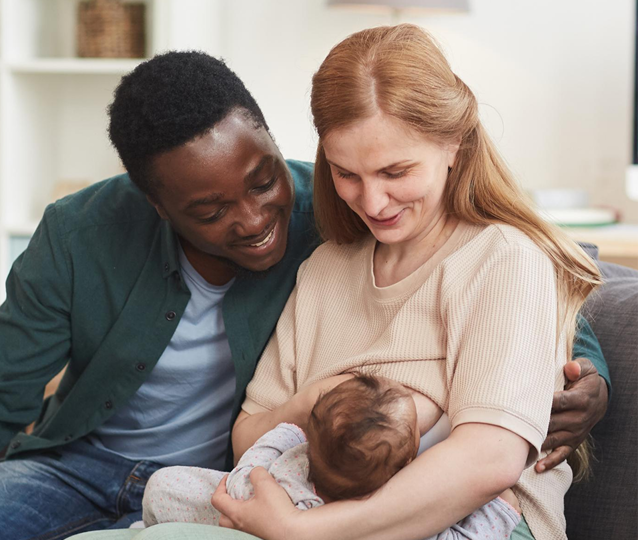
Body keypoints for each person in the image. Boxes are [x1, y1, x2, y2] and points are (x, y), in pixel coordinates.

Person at [0, 49, 607, 540]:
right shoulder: (84, 234)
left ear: (275, 146)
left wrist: (590, 376)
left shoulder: (337, 212)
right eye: (210, 210)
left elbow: (514, 293)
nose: (251, 220)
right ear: (156, 203)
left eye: (261, 180)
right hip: (102, 472)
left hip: (258, 488)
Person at [212, 25, 604, 540]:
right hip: (303, 506)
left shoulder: (503, 258)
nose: (372, 202)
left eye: (395, 172)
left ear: (453, 147)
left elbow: (488, 461)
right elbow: (248, 438)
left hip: (479, 522)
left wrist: (311, 532)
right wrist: (315, 401)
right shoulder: (325, 269)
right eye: (346, 173)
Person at [140, 374, 521, 540]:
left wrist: (288, 434)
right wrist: (502, 506)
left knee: (163, 485)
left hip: (251, 516)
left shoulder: (289, 467)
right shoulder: (410, 519)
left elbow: (245, 474)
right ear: (409, 463)